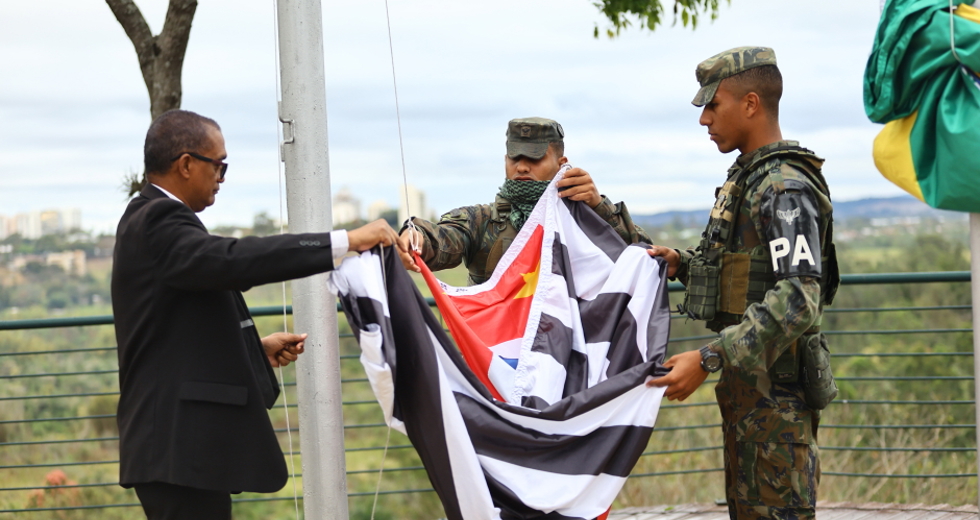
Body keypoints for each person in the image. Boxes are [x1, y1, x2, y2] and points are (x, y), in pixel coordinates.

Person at [111, 109, 403, 520]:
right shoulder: (158, 219)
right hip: (175, 447)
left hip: (179, 448)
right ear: (187, 164)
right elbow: (232, 261)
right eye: (220, 165)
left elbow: (174, 330)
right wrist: (345, 241)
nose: (222, 177)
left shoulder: (150, 218)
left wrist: (251, 350)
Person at [647, 47, 839, 519]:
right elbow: (750, 274)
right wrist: (684, 264)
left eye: (713, 105)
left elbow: (799, 297)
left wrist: (709, 356)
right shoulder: (753, 179)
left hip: (777, 404)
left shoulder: (783, 185)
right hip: (752, 402)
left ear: (751, 104)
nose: (704, 119)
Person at [399, 117, 650, 283]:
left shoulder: (584, 218)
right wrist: (416, 237)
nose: (521, 167)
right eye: (514, 158)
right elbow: (445, 238)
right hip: (497, 354)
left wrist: (598, 208)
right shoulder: (482, 221)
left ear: (562, 164)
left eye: (534, 159)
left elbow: (644, 257)